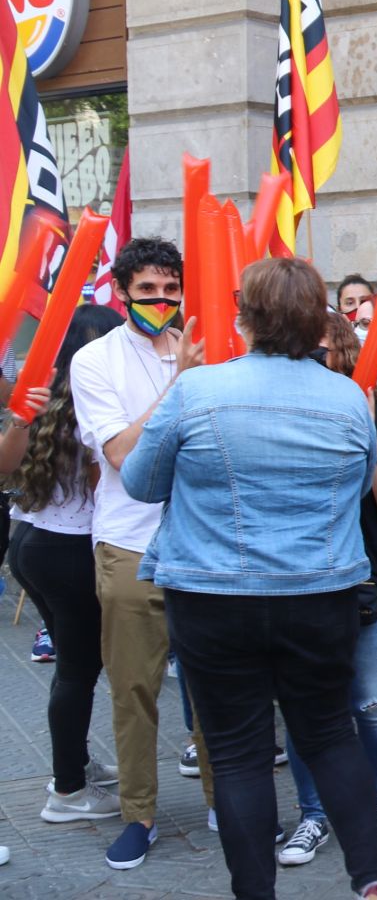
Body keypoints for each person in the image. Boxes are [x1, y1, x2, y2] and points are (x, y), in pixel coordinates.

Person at [120, 258, 377, 900]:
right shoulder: (350, 398)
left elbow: (140, 482)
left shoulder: (197, 391)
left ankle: (256, 893)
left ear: (245, 316)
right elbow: (358, 488)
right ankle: (371, 877)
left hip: (213, 597)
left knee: (238, 752)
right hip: (319, 593)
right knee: (329, 733)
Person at [70, 237, 201, 871]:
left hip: (205, 544)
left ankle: (222, 801)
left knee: (214, 685)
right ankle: (139, 813)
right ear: (121, 293)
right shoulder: (95, 360)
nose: (161, 301)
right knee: (135, 688)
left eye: (170, 288)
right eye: (147, 290)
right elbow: (121, 454)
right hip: (128, 543)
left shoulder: (207, 347)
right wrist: (182, 382)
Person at [277, 315, 377, 868]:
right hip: (300, 583)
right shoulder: (282, 412)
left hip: (365, 582)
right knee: (307, 705)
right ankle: (314, 814)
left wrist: (366, 432)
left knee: (374, 703)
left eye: (326, 352)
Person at [5, 305, 127, 825]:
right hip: (68, 550)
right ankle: (69, 791)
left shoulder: (53, 397)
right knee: (78, 671)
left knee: (71, 669)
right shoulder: (91, 404)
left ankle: (72, 764)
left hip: (30, 543)